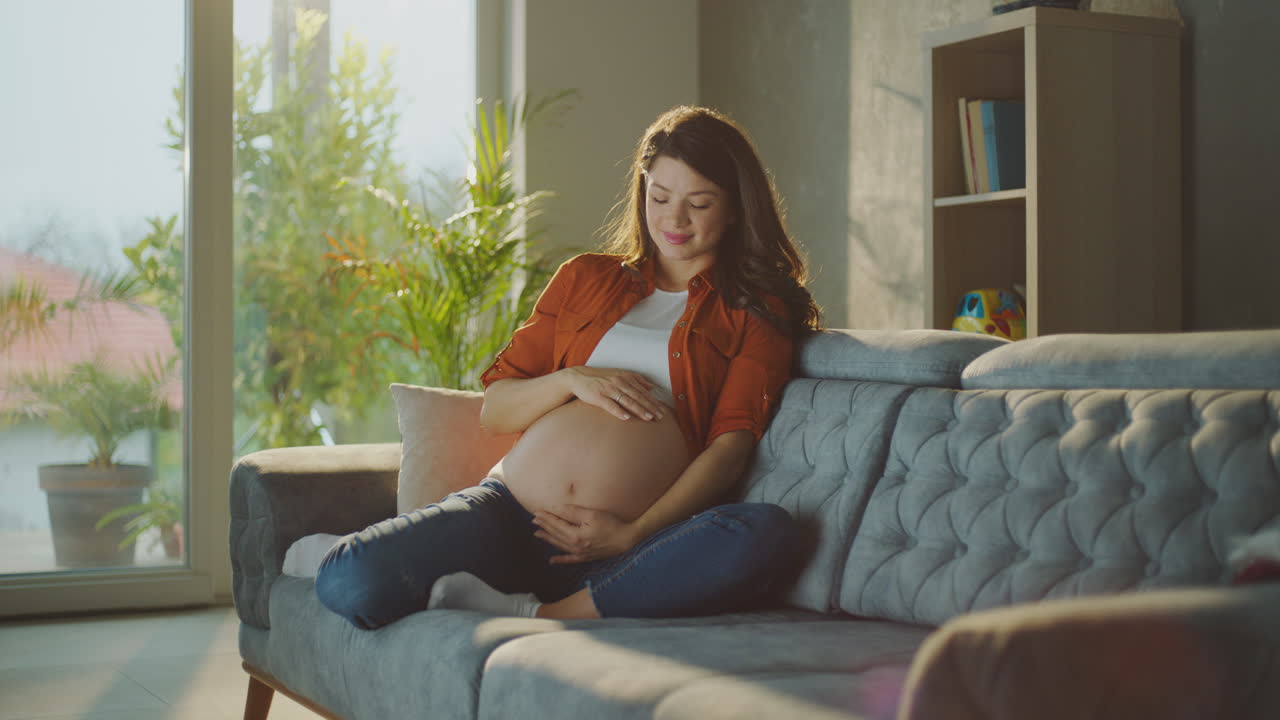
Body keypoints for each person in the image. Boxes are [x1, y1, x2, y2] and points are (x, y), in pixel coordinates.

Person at [316, 105, 822, 629]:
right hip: (506, 513)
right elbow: (496, 410)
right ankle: (368, 554)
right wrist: (571, 379)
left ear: (736, 207)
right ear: (642, 189)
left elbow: (729, 451)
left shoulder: (754, 311)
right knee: (346, 579)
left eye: (699, 203)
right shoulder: (585, 278)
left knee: (767, 532)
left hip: (629, 548)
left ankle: (543, 611)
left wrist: (634, 533)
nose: (675, 219)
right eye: (660, 197)